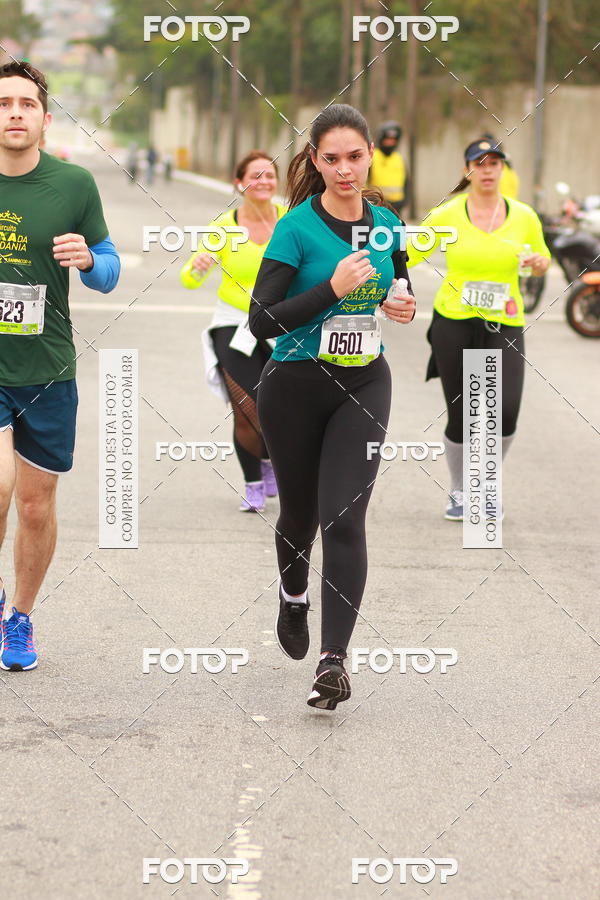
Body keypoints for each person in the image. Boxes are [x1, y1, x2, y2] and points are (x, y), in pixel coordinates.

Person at [249, 104, 416, 709]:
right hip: (294, 383)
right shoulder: (296, 228)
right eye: (332, 159)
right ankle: (294, 597)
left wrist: (402, 303)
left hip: (365, 382)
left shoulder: (387, 224)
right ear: (315, 162)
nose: (345, 169)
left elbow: (400, 283)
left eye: (354, 156)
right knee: (299, 515)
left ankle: (333, 662)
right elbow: (262, 321)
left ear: (370, 155)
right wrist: (330, 290)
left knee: (342, 517)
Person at [0, 61, 120, 670]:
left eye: (26, 104)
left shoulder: (73, 185)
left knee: (34, 506)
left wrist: (88, 260)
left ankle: (19, 617)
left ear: (45, 119)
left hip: (47, 367)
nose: (14, 113)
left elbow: (109, 269)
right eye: (3, 103)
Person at [407, 138, 550, 520]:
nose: (487, 170)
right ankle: (460, 490)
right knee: (462, 414)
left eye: (494, 163)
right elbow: (409, 253)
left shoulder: (524, 216)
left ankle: (486, 483)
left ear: (503, 169)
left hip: (504, 321)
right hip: (453, 320)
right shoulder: (447, 215)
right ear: (467, 170)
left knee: (506, 409)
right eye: (479, 163)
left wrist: (539, 263)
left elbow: (542, 257)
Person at [180, 151, 286, 511]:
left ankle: (269, 460)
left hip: (281, 325)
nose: (264, 182)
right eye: (255, 175)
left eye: (269, 175)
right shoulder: (223, 228)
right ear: (239, 184)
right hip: (233, 325)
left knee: (275, 408)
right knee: (246, 407)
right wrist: (198, 266)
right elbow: (189, 280)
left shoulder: (290, 221)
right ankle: (252, 482)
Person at [368, 120, 408, 217]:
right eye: (387, 140)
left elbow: (406, 182)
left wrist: (405, 201)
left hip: (396, 207)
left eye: (393, 140)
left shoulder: (399, 158)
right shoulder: (372, 157)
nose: (390, 143)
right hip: (377, 205)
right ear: (381, 139)